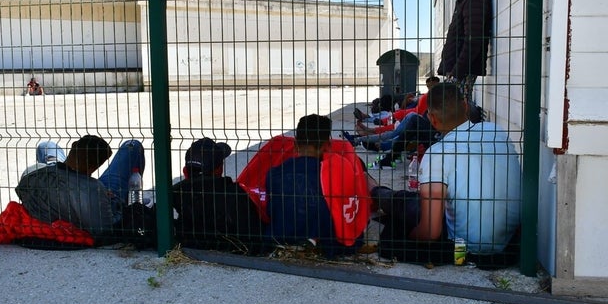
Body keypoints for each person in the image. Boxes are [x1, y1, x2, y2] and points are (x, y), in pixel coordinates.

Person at [371, 83, 521, 268]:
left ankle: (371, 189)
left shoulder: (437, 153)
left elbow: (430, 231)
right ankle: (377, 192)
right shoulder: (497, 132)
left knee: (406, 201)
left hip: (463, 247)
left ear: (432, 119)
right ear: (465, 105)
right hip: (508, 240)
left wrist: (407, 235)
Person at [264, 114, 364, 258]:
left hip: (280, 237)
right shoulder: (337, 172)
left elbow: (270, 210)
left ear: (296, 144)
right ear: (326, 145)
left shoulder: (274, 173)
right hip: (327, 243)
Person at [16, 135, 145, 235]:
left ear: (73, 146)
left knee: (46, 145)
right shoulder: (95, 189)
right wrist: (112, 201)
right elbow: (106, 228)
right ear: (91, 169)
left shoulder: (32, 175)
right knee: (132, 146)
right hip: (87, 196)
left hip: (53, 173)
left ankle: (60, 164)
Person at [171, 137, 263, 254]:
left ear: (185, 172)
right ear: (219, 169)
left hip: (192, 247)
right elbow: (255, 239)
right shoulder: (235, 194)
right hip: (234, 253)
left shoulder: (177, 194)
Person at [437, 0, 492, 123]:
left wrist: (456, 71)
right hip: (457, 68)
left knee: (457, 109)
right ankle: (458, 141)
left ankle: (463, 142)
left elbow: (473, 39)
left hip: (462, 69)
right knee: (455, 109)